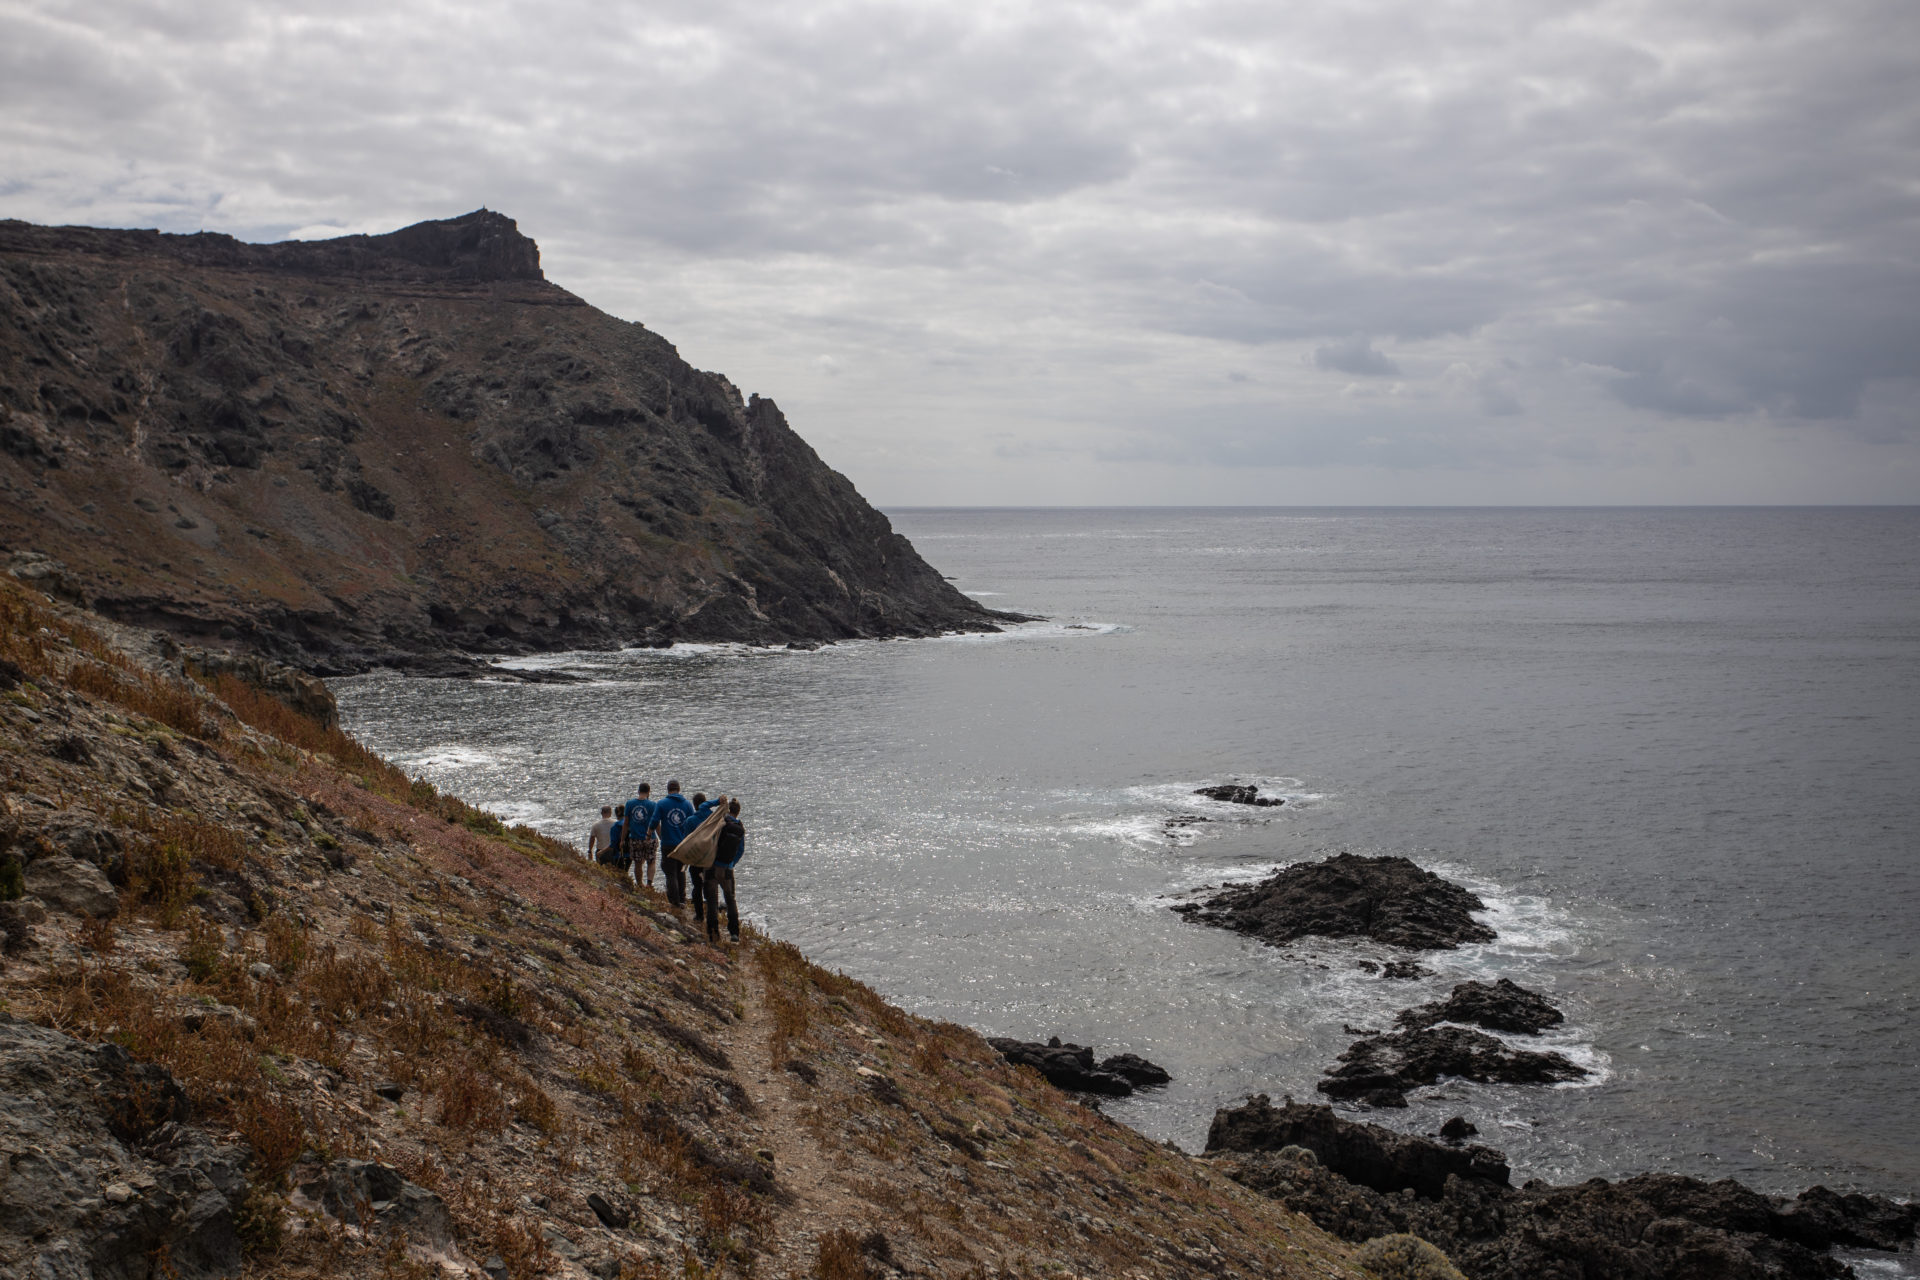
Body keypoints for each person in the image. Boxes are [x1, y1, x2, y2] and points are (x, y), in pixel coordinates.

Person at [702, 798, 746, 944]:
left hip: (712, 867)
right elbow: (740, 850)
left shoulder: (721, 822)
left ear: (728, 810)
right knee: (730, 900)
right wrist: (731, 863)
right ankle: (734, 934)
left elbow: (709, 841)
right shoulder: (740, 827)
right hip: (727, 869)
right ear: (738, 812)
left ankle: (713, 933)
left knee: (712, 900)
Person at [652, 780, 696, 906]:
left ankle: (674, 901)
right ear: (679, 789)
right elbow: (692, 822)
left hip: (668, 843)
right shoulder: (687, 804)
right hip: (683, 844)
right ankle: (682, 899)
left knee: (670, 873)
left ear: (668, 789)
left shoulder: (661, 804)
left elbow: (655, 821)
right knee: (681, 872)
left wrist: (650, 832)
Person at [624, 783, 659, 887]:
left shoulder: (629, 804)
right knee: (651, 862)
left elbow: (626, 823)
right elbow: (656, 824)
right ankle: (649, 883)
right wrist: (662, 838)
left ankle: (639, 884)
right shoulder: (653, 805)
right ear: (649, 792)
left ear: (638, 791)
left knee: (638, 863)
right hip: (650, 838)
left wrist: (622, 839)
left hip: (635, 838)